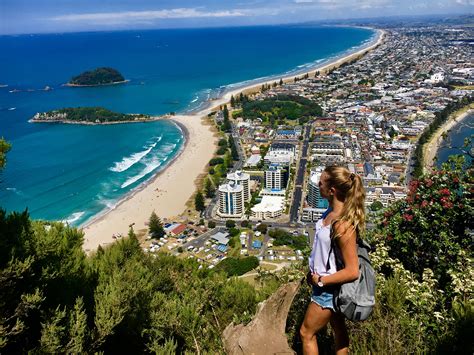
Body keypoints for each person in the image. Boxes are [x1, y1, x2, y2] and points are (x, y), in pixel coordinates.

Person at [300, 166, 366, 354]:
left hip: (328, 289)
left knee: (306, 333)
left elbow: (353, 270)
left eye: (320, 182)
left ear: (332, 190)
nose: (317, 185)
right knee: (339, 331)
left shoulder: (342, 225)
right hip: (328, 286)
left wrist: (321, 281)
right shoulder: (330, 212)